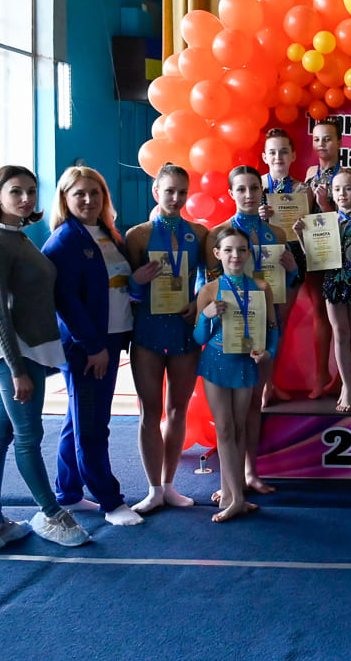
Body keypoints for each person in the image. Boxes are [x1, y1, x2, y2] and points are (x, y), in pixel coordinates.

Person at [0, 166, 90, 553]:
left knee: (0, 435)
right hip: (15, 354)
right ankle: (52, 513)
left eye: (32, 191)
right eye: (16, 191)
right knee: (27, 438)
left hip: (30, 350)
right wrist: (17, 369)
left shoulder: (17, 237)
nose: (25, 198)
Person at [42, 166, 144, 526]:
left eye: (94, 193)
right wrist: (92, 346)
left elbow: (117, 287)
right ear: (65, 199)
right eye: (79, 194)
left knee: (79, 419)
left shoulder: (107, 234)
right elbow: (65, 301)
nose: (88, 200)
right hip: (87, 345)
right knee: (93, 425)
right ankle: (110, 500)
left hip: (111, 337)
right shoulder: (65, 241)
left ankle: (68, 492)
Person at [206, 165, 296, 496]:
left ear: (262, 191)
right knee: (228, 411)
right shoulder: (217, 234)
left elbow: (285, 286)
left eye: (254, 188)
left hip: (263, 326)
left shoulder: (277, 233)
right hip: (228, 330)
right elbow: (207, 285)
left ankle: (251, 472)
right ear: (231, 193)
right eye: (241, 189)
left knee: (255, 401)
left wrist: (293, 270)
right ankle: (228, 482)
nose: (248, 195)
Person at [124, 163, 207, 513]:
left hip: (184, 329)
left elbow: (209, 279)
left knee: (177, 410)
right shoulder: (137, 236)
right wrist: (136, 282)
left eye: (182, 192)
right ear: (156, 192)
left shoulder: (199, 234)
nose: (175, 198)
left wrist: (198, 302)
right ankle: (153, 489)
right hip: (148, 331)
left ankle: (170, 485)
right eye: (169, 191)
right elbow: (125, 291)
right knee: (150, 411)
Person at [194, 226, 278, 522]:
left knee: (239, 428)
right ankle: (237, 499)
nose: (235, 255)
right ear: (217, 253)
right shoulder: (209, 290)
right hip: (216, 363)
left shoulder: (261, 287)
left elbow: (272, 328)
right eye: (228, 249)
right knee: (225, 428)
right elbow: (198, 337)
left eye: (242, 249)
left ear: (249, 254)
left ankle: (232, 493)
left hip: (245, 364)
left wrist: (269, 352)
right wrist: (206, 316)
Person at [293, 169, 351, 412]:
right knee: (340, 333)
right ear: (332, 194)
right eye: (337, 189)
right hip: (333, 280)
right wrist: (300, 235)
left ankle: (349, 383)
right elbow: (313, 256)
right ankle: (347, 386)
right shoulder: (326, 221)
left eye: (348, 188)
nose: (342, 193)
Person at [257, 127, 310, 402]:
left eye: (283, 152)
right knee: (260, 324)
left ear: (293, 156)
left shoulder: (302, 190)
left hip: (291, 261)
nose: (278, 157)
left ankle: (270, 384)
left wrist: (303, 227)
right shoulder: (255, 187)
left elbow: (311, 235)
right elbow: (237, 226)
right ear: (265, 157)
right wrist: (256, 216)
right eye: (273, 152)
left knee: (279, 325)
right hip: (261, 263)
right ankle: (257, 386)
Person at [303, 115, 343, 398]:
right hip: (313, 249)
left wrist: (326, 203)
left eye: (327, 139)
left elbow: (350, 218)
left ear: (339, 142)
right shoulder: (308, 173)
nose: (321, 144)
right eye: (317, 139)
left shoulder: (347, 175)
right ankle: (321, 374)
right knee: (320, 312)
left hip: (339, 252)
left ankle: (342, 375)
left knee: (341, 317)